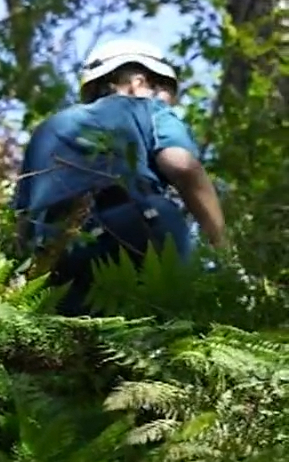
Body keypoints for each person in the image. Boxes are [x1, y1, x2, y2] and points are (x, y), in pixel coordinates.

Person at [14, 38, 227, 314]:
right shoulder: (145, 108)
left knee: (92, 350)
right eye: (163, 93)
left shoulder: (45, 131)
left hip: (60, 259)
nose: (166, 103)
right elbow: (182, 165)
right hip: (138, 223)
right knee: (183, 330)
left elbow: (23, 227)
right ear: (138, 82)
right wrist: (221, 242)